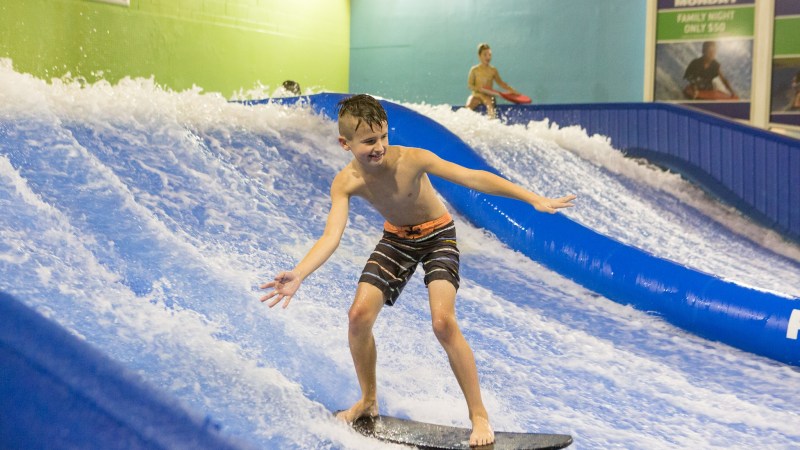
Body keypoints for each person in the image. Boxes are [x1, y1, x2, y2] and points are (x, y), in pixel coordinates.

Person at [259, 94, 576, 447]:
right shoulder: (346, 182)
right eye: (368, 142)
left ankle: (479, 415)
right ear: (344, 143)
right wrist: (300, 273)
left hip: (438, 235)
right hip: (396, 240)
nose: (379, 147)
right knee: (358, 316)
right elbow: (331, 235)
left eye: (383, 137)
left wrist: (531, 197)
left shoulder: (413, 160)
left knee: (443, 322)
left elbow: (472, 177)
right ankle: (368, 400)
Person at [466, 43, 518, 118]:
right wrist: (479, 89)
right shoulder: (474, 70)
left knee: (489, 103)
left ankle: (492, 122)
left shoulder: (493, 70)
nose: (488, 57)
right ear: (479, 56)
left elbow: (501, 83)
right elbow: (470, 85)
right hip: (477, 95)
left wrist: (512, 90)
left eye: (490, 55)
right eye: (485, 54)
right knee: (469, 104)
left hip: (488, 95)